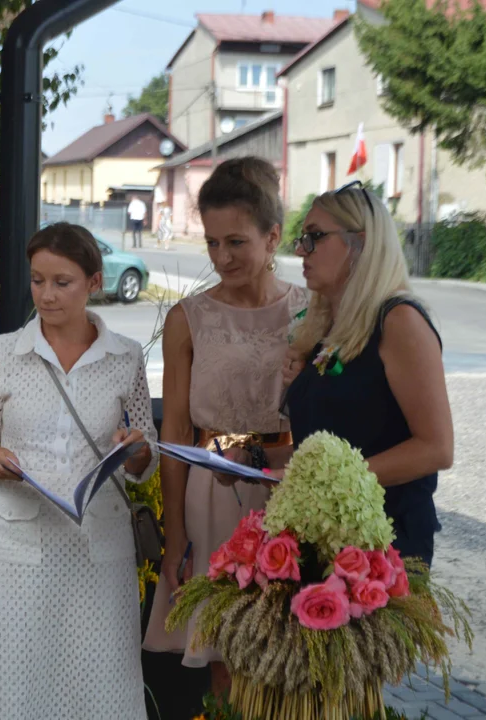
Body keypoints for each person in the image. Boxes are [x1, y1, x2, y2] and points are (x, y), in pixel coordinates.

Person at [0, 222, 158, 719]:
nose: (46, 295)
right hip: (17, 548)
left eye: (62, 282)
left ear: (94, 282)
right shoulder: (3, 352)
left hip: (99, 547)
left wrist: (134, 451)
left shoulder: (125, 358)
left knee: (100, 684)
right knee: (11, 683)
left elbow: (145, 452)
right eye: (37, 280)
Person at [141, 157, 308, 695]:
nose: (221, 257)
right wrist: (174, 539)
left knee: (297, 648)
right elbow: (177, 438)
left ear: (273, 236)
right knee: (225, 653)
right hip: (211, 495)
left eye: (236, 242)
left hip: (292, 492)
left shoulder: (312, 312)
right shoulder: (188, 318)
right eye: (212, 243)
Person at [231, 181, 453, 567]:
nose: (300, 250)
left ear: (361, 243)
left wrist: (322, 484)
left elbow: (436, 448)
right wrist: (254, 459)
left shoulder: (399, 321)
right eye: (302, 238)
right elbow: (326, 444)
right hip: (321, 537)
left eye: (315, 237)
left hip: (383, 547)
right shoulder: (330, 328)